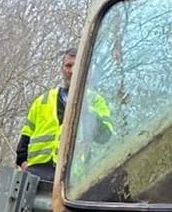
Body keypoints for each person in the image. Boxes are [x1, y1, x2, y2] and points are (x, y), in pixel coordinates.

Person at [16, 48, 111, 183]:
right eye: (68, 65)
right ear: (62, 68)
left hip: (72, 178)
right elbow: (24, 140)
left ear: (85, 70)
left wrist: (86, 110)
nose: (72, 71)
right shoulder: (42, 100)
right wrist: (25, 165)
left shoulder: (95, 101)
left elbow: (105, 137)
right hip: (37, 174)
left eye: (77, 66)